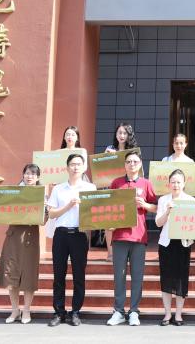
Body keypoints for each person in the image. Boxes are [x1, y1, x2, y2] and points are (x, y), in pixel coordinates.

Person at [106, 149, 158, 327]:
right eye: (128, 162)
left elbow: (157, 207)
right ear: (124, 165)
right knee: (119, 276)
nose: (132, 164)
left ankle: (134, 311)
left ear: (140, 164)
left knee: (137, 276)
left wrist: (145, 205)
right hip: (119, 236)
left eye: (135, 161)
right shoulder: (116, 183)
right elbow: (108, 207)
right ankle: (119, 311)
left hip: (139, 237)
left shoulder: (146, 183)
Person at [45, 153, 96, 327]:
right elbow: (51, 214)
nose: (75, 167)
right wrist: (69, 206)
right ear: (67, 168)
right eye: (72, 164)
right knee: (58, 274)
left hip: (80, 235)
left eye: (78, 164)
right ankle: (59, 312)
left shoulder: (90, 188)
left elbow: (96, 213)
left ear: (84, 167)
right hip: (61, 235)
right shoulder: (58, 189)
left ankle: (75, 311)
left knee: (79, 275)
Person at [0, 163, 43, 325]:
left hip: (30, 238)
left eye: (33, 174)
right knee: (12, 273)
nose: (29, 176)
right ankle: (15, 310)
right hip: (14, 237)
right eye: (27, 173)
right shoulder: (13, 192)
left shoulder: (41, 195)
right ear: (23, 175)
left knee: (29, 275)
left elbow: (43, 221)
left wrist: (44, 209)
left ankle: (27, 310)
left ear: (38, 177)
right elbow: (2, 213)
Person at [154, 169, 195, 326]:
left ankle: (178, 314)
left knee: (181, 279)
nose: (176, 185)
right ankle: (167, 314)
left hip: (183, 243)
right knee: (166, 278)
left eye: (179, 182)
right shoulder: (163, 200)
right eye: (173, 182)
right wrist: (167, 211)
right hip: (166, 243)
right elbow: (158, 223)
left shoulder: (190, 200)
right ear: (168, 184)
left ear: (184, 184)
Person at [104, 123, 138, 261]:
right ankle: (110, 253)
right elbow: (102, 170)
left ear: (129, 135)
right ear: (116, 134)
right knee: (109, 221)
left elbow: (138, 169)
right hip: (112, 188)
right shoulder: (110, 149)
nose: (122, 135)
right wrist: (107, 157)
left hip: (127, 188)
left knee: (127, 219)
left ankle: (127, 253)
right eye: (119, 133)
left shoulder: (133, 152)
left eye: (125, 133)